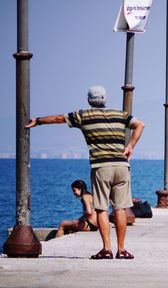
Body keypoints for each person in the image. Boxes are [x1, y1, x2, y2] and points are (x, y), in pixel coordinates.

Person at [26, 85, 145, 259]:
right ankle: (122, 250)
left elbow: (59, 118)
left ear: (89, 100)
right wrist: (130, 147)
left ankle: (106, 249)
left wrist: (38, 120)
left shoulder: (84, 115)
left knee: (102, 209)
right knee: (120, 209)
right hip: (121, 166)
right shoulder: (120, 114)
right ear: (105, 99)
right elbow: (140, 125)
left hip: (101, 167)